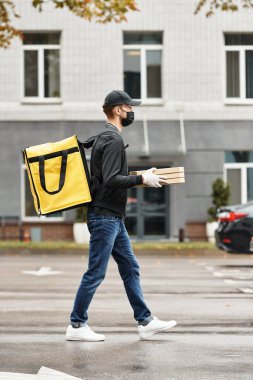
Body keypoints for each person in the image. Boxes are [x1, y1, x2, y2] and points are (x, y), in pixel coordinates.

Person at [66, 90, 177, 341]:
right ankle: (76, 325)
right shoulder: (113, 139)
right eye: (128, 107)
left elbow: (110, 176)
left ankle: (145, 321)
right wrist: (141, 179)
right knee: (96, 272)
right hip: (105, 218)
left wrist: (142, 175)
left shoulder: (105, 138)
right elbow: (112, 180)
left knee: (130, 267)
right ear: (117, 110)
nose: (131, 111)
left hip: (112, 218)